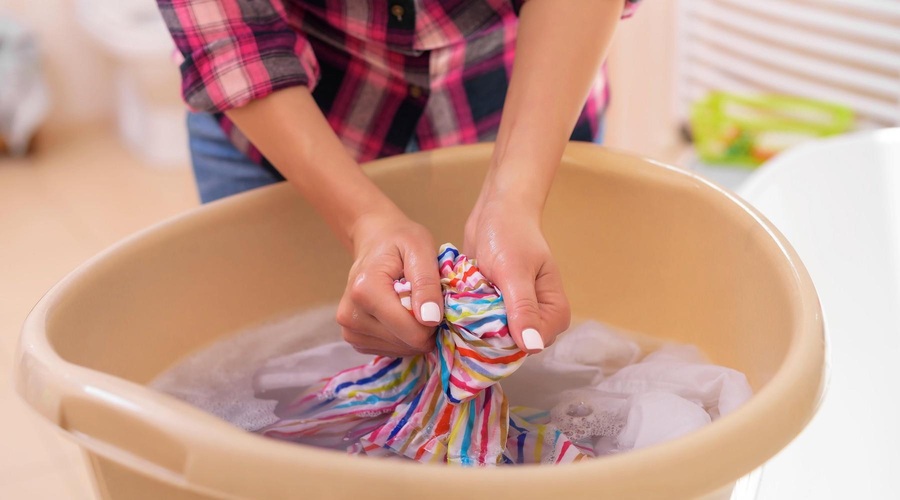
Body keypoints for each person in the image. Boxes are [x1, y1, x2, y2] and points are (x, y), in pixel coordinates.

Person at [157, 0, 640, 358]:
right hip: (287, 116)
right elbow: (233, 41)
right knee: (271, 366)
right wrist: (363, 222)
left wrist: (514, 197)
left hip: (517, 89)